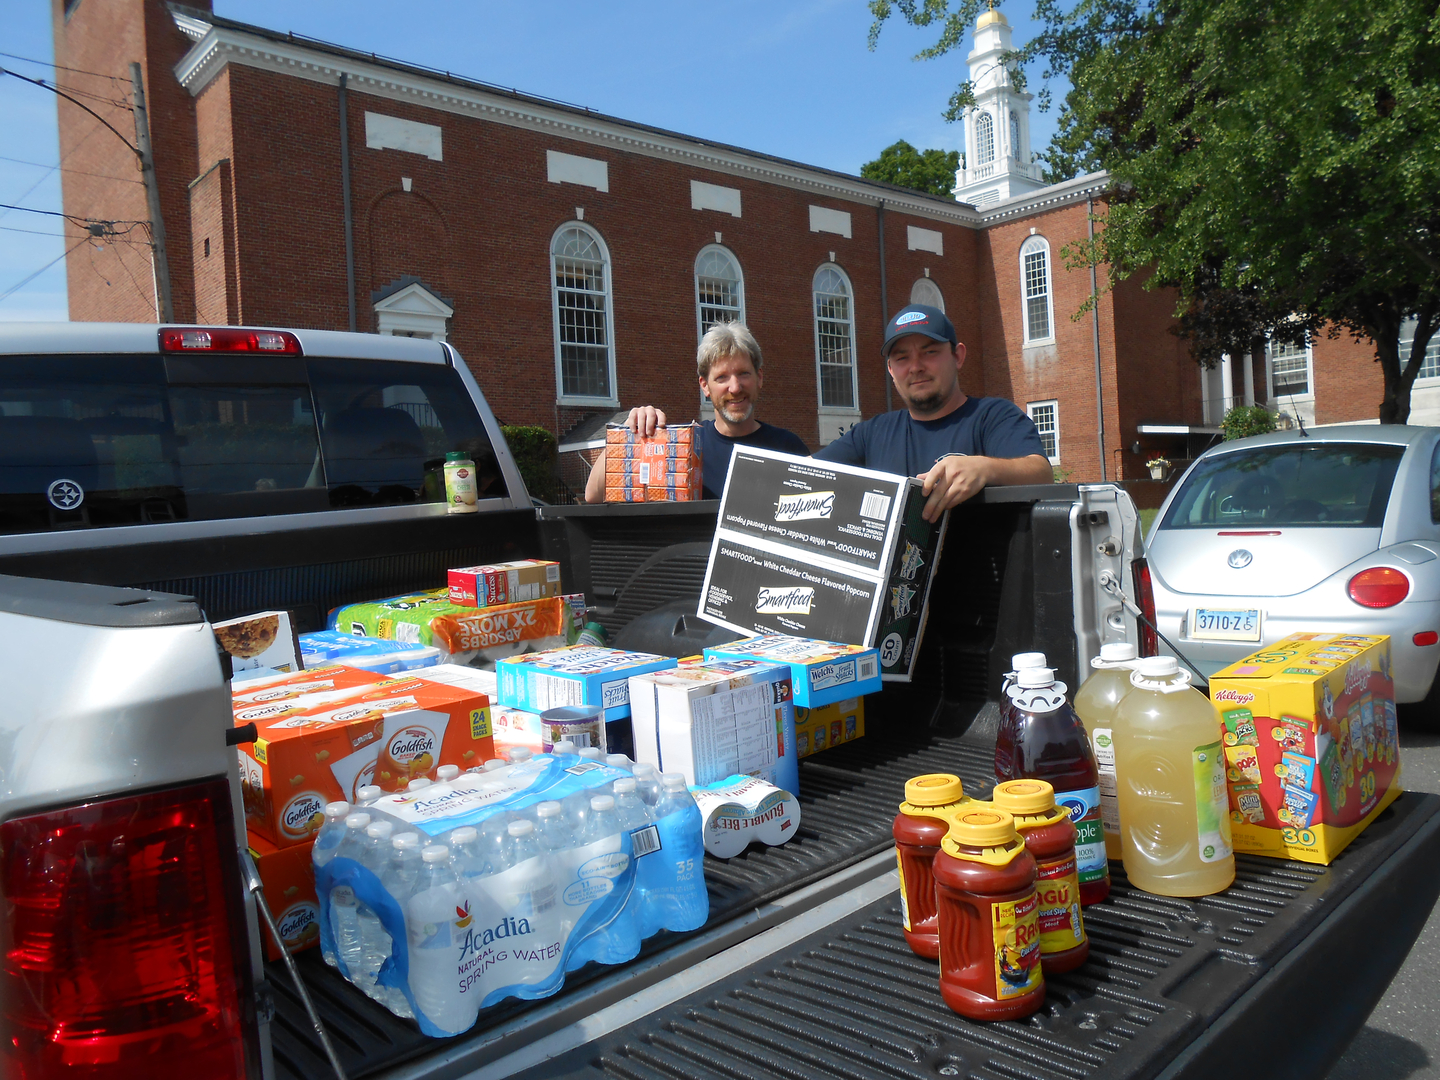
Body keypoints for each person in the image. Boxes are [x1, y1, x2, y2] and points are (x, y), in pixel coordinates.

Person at [814, 304, 1053, 521]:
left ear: (957, 356)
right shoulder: (870, 434)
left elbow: (1041, 472)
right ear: (890, 369)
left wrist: (984, 469)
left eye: (930, 353)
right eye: (902, 357)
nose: (915, 367)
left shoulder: (993, 416)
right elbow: (799, 472)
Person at [584, 322, 807, 502]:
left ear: (759, 378)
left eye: (743, 374)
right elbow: (593, 495)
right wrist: (629, 435)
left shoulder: (788, 448)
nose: (735, 387)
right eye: (721, 378)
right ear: (705, 386)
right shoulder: (683, 448)